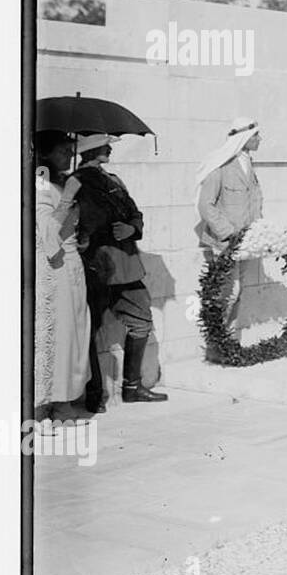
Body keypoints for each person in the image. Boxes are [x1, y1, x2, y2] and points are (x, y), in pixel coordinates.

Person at [74, 134, 168, 408]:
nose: (109, 149)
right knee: (89, 331)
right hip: (96, 267)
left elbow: (135, 213)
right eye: (105, 146)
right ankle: (93, 395)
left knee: (141, 321)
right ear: (91, 150)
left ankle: (132, 387)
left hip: (126, 265)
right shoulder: (76, 183)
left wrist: (132, 228)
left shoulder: (114, 180)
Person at [34, 131, 91, 413]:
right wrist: (68, 196)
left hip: (72, 265)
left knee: (75, 332)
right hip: (54, 269)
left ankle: (64, 399)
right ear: (45, 154)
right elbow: (46, 234)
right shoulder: (41, 185)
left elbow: (65, 228)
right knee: (59, 334)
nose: (70, 156)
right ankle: (47, 405)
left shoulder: (57, 182)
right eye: (63, 151)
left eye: (71, 150)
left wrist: (80, 237)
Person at [196, 118, 265, 346]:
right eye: (256, 135)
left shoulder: (249, 166)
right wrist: (227, 232)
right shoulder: (221, 167)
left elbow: (253, 203)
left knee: (238, 292)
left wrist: (257, 232)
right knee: (229, 291)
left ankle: (230, 342)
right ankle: (217, 342)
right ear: (244, 138)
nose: (259, 139)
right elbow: (206, 205)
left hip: (245, 243)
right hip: (224, 242)